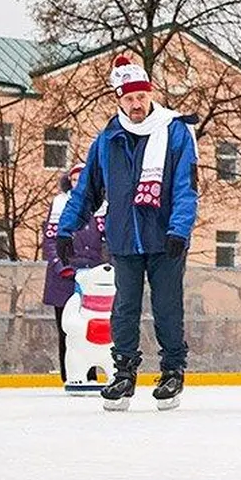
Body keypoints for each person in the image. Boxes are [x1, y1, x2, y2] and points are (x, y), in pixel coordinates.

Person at [56, 56, 198, 412]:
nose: (136, 104)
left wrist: (179, 229)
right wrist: (66, 229)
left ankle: (172, 371)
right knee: (123, 308)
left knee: (167, 306)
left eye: (142, 96)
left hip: (166, 238)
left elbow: (186, 186)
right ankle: (123, 373)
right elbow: (87, 191)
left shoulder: (175, 131)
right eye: (129, 98)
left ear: (151, 94)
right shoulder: (108, 139)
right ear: (119, 99)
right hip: (123, 237)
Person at [43, 166, 109, 384]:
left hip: (94, 279)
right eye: (74, 179)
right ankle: (71, 375)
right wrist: (62, 266)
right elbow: (50, 241)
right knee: (68, 329)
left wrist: (106, 266)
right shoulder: (60, 204)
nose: (78, 182)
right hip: (65, 279)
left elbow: (108, 240)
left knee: (95, 327)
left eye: (82, 178)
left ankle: (92, 374)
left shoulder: (102, 207)